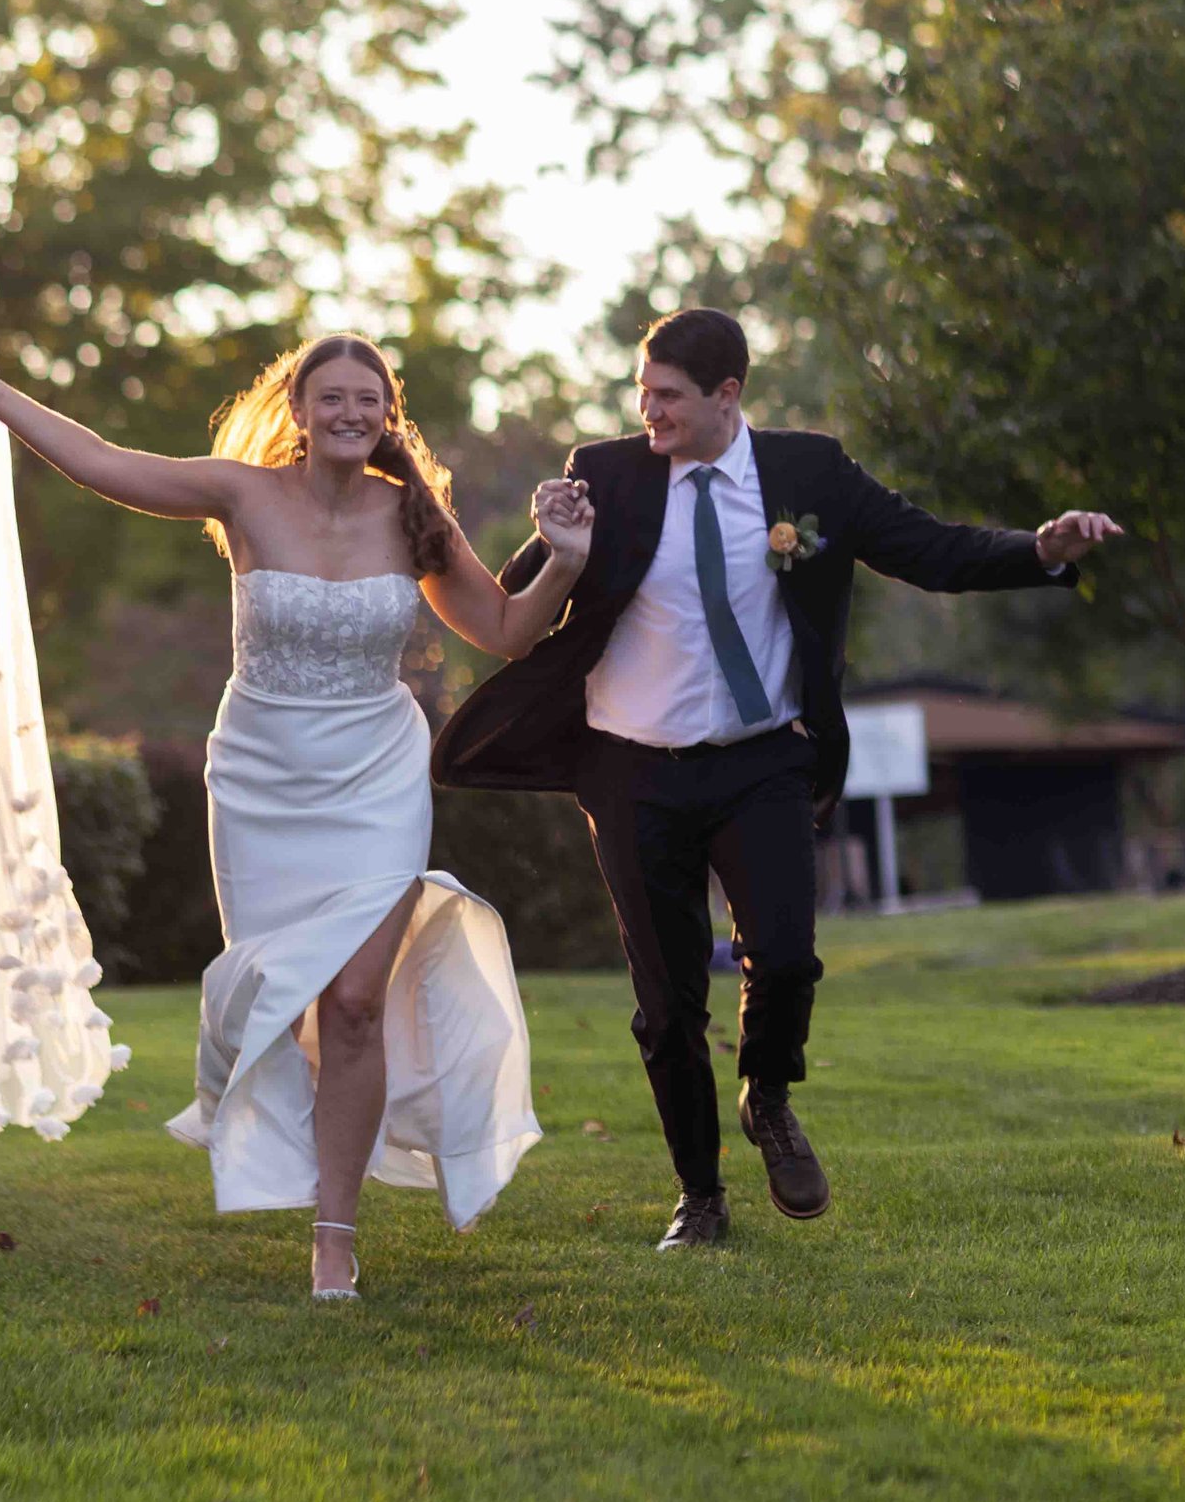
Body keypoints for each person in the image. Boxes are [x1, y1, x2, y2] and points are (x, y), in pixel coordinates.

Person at [432, 307, 1120, 1250]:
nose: (649, 412)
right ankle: (701, 1196)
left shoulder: (808, 473)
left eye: (668, 396)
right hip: (632, 767)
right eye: (641, 392)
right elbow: (516, 611)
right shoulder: (607, 475)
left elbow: (927, 549)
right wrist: (558, 547)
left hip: (763, 757)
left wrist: (1040, 551)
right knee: (668, 1002)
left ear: (728, 395)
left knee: (787, 956)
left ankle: (768, 1092)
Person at [0, 324, 592, 1300]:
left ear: (386, 414)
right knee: (282, 1004)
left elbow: (501, 629)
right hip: (261, 780)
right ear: (297, 409)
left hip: (373, 778)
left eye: (368, 400)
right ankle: (298, 1146)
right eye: (331, 397)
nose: (350, 413)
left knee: (357, 1003)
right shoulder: (241, 495)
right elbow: (101, 461)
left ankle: (334, 1235)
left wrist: (565, 562)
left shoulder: (411, 516)